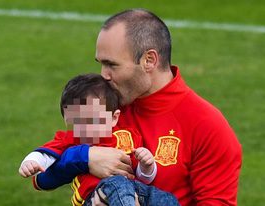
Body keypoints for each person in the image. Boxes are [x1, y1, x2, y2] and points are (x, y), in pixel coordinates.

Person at [35, 9, 242, 206]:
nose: (104, 75)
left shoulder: (208, 126)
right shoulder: (104, 106)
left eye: (112, 65)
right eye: (101, 64)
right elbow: (40, 172)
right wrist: (86, 158)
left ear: (149, 61)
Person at [19, 74, 179, 206]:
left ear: (114, 118)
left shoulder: (127, 136)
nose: (85, 128)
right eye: (77, 121)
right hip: (95, 196)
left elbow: (141, 176)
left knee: (166, 200)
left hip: (134, 190)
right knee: (117, 184)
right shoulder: (72, 139)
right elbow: (47, 154)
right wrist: (31, 161)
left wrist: (147, 166)